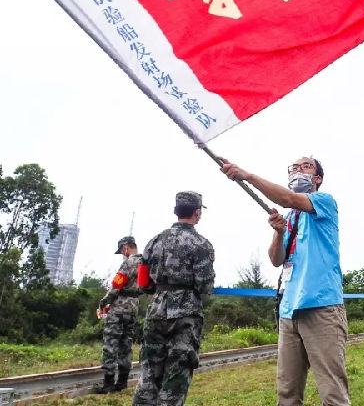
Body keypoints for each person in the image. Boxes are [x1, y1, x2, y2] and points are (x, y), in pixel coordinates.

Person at [220, 156, 349, 406]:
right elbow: (276, 260)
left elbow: (287, 198)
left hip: (321, 307)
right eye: (294, 167)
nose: (298, 170)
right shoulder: (291, 217)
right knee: (287, 391)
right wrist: (278, 233)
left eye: (305, 166)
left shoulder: (324, 201)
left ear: (317, 178)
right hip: (289, 311)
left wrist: (247, 175)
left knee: (332, 391)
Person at [132, 192, 215, 406]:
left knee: (149, 373)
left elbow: (143, 283)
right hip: (186, 316)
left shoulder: (154, 241)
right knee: (176, 377)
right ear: (197, 213)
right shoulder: (201, 244)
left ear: (176, 211)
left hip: (156, 311)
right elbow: (205, 285)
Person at [96, 236, 142, 393]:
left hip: (120, 307)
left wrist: (103, 303)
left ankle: (108, 384)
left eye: (122, 251)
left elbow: (116, 286)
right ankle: (122, 383)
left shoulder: (128, 263)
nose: (122, 254)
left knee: (111, 344)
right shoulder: (145, 262)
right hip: (134, 306)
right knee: (126, 344)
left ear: (125, 248)